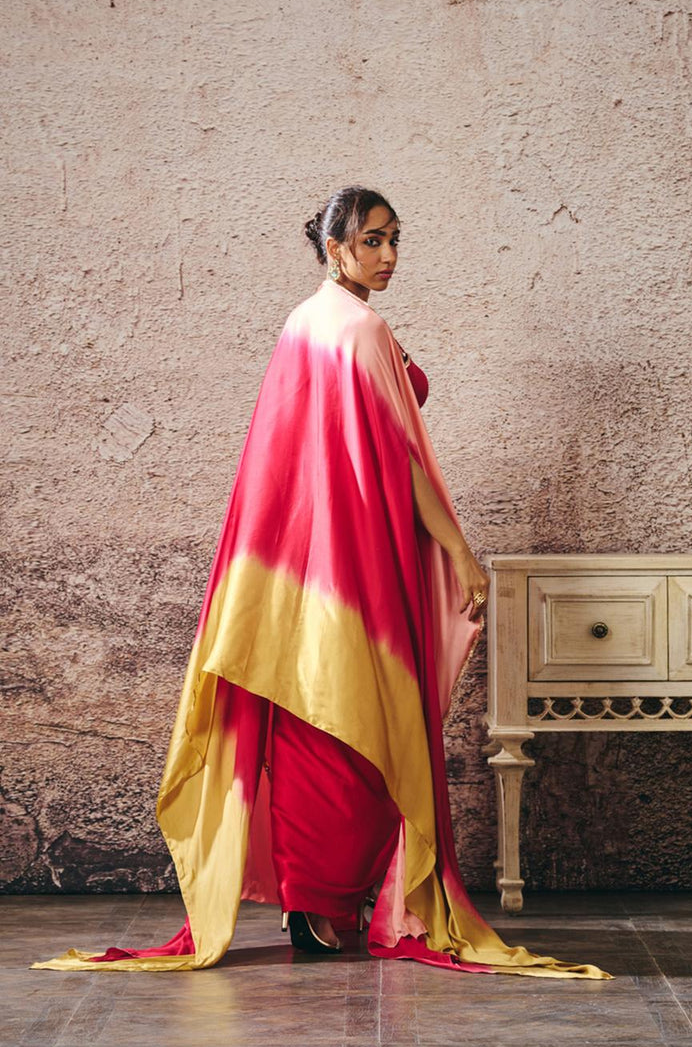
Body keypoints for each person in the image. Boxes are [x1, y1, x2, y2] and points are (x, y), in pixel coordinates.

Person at [33, 185, 611, 980]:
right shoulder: (361, 328)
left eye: (395, 240)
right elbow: (403, 466)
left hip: (291, 566)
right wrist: (463, 555)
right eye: (372, 241)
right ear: (333, 247)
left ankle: (320, 903)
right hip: (358, 558)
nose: (389, 256)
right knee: (370, 726)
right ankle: (332, 900)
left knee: (311, 714)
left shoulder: (302, 324)